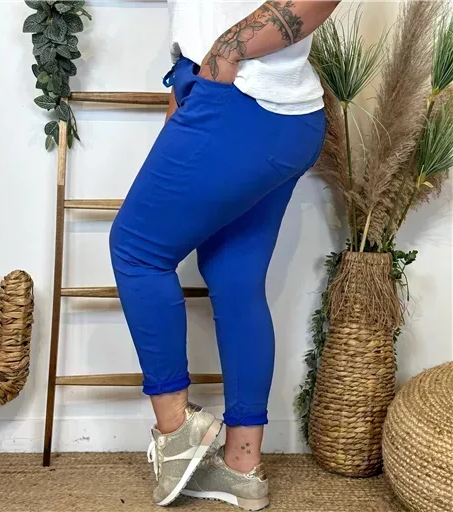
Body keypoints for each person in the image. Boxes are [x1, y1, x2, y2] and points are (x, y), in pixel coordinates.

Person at [110, 0, 341, 509]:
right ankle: (242, 468)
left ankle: (176, 430)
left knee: (136, 250)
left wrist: (223, 56)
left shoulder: (230, 73)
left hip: (241, 104)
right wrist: (191, 84)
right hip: (264, 110)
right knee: (235, 278)